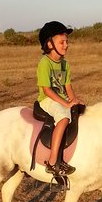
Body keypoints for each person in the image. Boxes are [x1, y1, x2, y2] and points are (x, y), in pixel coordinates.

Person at [36, 21, 83, 176]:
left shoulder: (65, 64)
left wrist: (74, 100)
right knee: (63, 118)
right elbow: (47, 90)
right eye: (61, 42)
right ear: (49, 44)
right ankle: (52, 162)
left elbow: (68, 87)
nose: (66, 45)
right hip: (48, 100)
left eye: (67, 42)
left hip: (61, 99)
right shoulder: (45, 63)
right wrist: (66, 104)